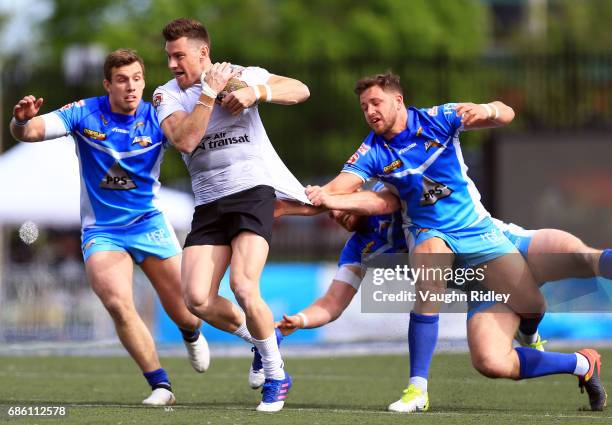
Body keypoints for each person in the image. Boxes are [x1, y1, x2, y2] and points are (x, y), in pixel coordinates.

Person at [306, 71, 548, 411]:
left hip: (476, 230)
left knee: (537, 299)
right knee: (432, 294)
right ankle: (417, 389)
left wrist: (489, 110)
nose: (370, 111)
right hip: (430, 234)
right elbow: (341, 189)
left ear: (398, 100)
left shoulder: (439, 118)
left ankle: (539, 338)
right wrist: (295, 204)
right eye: (364, 107)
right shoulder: (372, 151)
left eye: (375, 102)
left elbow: (506, 112)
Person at [277, 189, 608, 411]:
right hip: (486, 288)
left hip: (514, 245)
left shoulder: (396, 195)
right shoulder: (357, 249)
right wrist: (300, 320)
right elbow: (333, 303)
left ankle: (528, 331)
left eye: (338, 203)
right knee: (491, 362)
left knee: (587, 258)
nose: (336, 213)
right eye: (329, 212)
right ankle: (581, 364)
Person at [9, 48, 210, 406]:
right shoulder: (84, 112)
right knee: (118, 303)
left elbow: (192, 137)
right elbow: (31, 131)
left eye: (137, 79)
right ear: (107, 84)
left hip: (149, 223)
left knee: (186, 310)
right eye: (121, 80)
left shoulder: (158, 116)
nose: (131, 87)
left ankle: (191, 334)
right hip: (103, 231)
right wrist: (21, 122)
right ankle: (160, 385)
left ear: (144, 81)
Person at [153, 18, 310, 412]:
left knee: (243, 285)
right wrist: (209, 93)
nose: (173, 64)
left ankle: (276, 375)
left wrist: (256, 92)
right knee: (196, 299)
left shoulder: (239, 74)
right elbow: (186, 139)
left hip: (252, 193)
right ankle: (264, 338)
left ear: (203, 53)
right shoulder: (166, 95)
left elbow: (300, 89)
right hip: (208, 202)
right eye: (169, 56)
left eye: (180, 55)